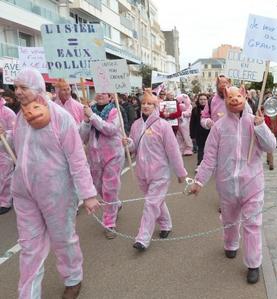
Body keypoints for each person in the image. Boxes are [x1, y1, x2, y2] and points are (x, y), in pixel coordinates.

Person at [1, 68, 99, 299]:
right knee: (29, 246)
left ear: (37, 88)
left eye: (23, 87)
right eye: (16, 87)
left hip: (57, 192)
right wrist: (4, 137)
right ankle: (28, 294)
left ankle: (73, 278)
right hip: (24, 192)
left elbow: (77, 158)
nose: (18, 92)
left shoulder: (61, 117)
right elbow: (17, 148)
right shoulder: (20, 116)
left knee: (63, 239)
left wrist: (88, 194)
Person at [190, 85, 276, 284]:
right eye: (230, 97)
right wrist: (199, 181)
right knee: (229, 219)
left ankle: (253, 263)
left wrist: (260, 126)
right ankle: (230, 244)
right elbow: (209, 157)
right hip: (227, 183)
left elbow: (270, 146)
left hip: (252, 183)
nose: (235, 100)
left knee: (253, 224)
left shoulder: (253, 122)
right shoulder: (219, 126)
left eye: (238, 96)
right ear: (225, 99)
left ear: (245, 96)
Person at [123, 89, 187, 250]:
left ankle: (142, 238)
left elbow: (173, 150)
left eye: (149, 104)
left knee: (151, 203)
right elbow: (133, 147)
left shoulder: (163, 125)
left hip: (160, 172)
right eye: (143, 103)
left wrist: (180, 173)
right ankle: (166, 224)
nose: (145, 106)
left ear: (156, 106)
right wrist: (128, 143)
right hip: (142, 171)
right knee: (156, 201)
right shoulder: (137, 125)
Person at [80, 92, 125, 239]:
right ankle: (115, 204)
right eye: (98, 92)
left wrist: (92, 117)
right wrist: (86, 121)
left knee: (109, 189)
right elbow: (82, 137)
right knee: (98, 187)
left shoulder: (115, 111)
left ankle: (109, 223)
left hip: (113, 155)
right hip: (94, 156)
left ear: (110, 97)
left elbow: (110, 130)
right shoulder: (89, 110)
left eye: (104, 93)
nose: (100, 95)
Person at [0, 92, 16, 215]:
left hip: (4, 150)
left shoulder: (7, 112)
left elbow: (15, 131)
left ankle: (5, 201)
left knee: (5, 176)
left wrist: (5, 133)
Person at [190, 93, 210, 169]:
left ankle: (209, 165)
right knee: (201, 149)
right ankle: (199, 164)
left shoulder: (211, 109)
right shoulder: (195, 110)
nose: (203, 101)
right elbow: (192, 123)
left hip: (209, 133)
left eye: (204, 99)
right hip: (199, 133)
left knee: (209, 150)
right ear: (198, 100)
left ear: (207, 100)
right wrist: (192, 135)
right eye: (201, 99)